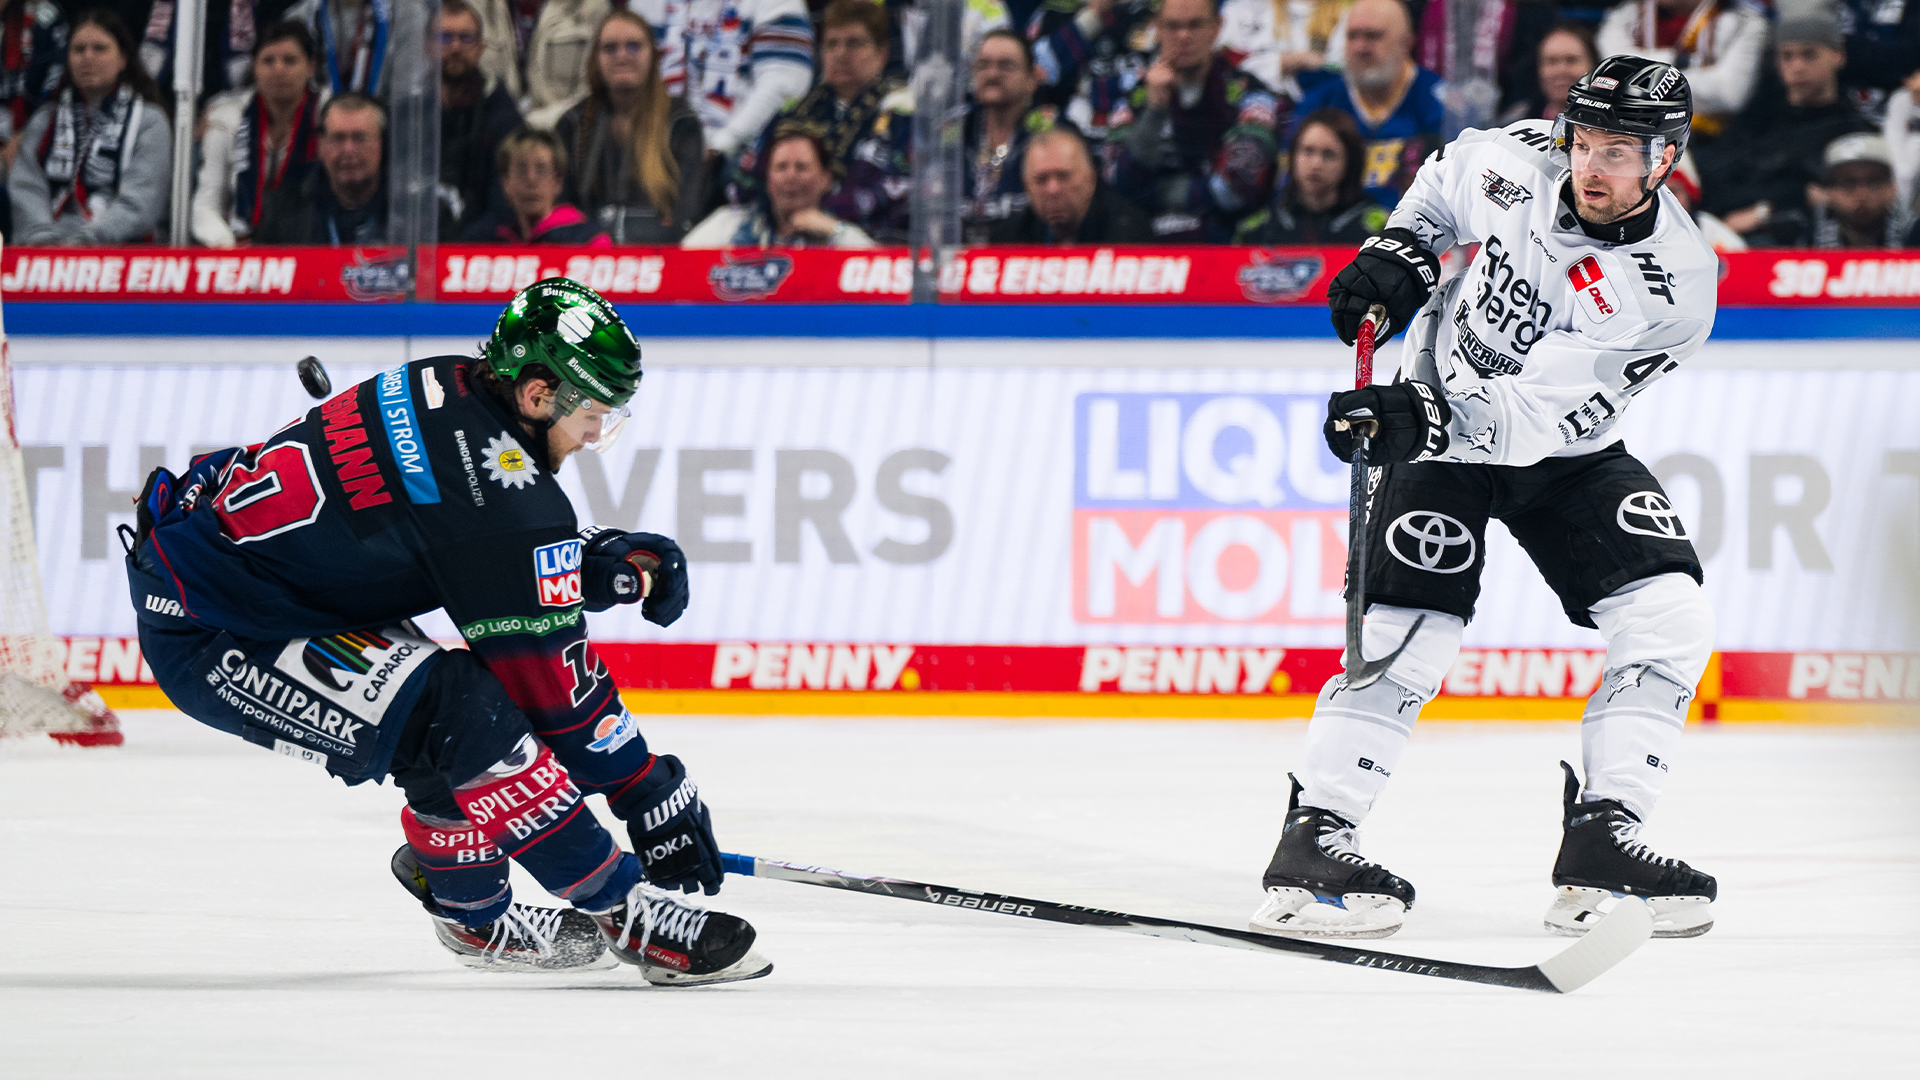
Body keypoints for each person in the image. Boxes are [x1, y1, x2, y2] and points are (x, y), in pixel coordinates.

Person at [124, 278, 771, 985]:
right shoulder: (502, 497)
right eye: (591, 411)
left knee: (436, 716)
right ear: (533, 393)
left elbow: (465, 543)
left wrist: (587, 564)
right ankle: (628, 916)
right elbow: (553, 691)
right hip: (219, 632)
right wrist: (647, 790)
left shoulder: (442, 379)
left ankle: (472, 911)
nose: (593, 435)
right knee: (462, 709)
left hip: (247, 584)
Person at [1253, 56, 1721, 943]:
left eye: (1620, 151)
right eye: (1584, 141)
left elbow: (1533, 416)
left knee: (1670, 617)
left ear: (1665, 159)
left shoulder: (1672, 286)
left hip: (1559, 447)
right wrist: (1401, 250)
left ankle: (1603, 842)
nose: (1591, 165)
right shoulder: (1518, 160)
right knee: (1406, 631)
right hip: (1440, 405)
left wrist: (1414, 416)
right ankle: (1316, 841)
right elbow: (1438, 189)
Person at [1098, 0, 1287, 241]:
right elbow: (1119, 184)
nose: (1184, 36)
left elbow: (1236, 188)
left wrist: (1155, 192)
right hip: (1145, 246)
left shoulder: (1251, 94)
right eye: (1173, 26)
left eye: (1195, 25)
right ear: (1157, 27)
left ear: (1218, 27)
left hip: (1226, 245)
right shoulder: (1134, 96)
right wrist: (1154, 111)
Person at [729, 0, 912, 242]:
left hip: (867, 246)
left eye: (854, 43)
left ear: (882, 53)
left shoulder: (902, 113)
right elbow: (742, 186)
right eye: (831, 44)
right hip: (780, 238)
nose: (841, 54)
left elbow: (903, 191)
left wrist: (822, 213)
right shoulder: (792, 113)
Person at [1698, 14, 1876, 243]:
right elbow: (1714, 183)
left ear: (1838, 56)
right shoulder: (1755, 122)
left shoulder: (1855, 131)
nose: (1797, 67)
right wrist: (1789, 197)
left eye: (1809, 55)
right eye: (1787, 57)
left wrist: (1766, 208)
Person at [8, 8, 171, 245]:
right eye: (78, 49)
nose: (87, 57)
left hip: (119, 251)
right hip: (45, 249)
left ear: (123, 59)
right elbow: (26, 188)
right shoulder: (45, 120)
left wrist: (86, 242)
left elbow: (141, 202)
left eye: (100, 48)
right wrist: (44, 241)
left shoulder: (149, 121)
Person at [552, 10, 705, 244]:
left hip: (659, 255)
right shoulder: (571, 125)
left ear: (653, 56)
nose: (621, 56)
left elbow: (687, 212)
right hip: (585, 255)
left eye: (633, 46)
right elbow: (559, 211)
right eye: (610, 48)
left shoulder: (681, 122)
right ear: (596, 59)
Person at [1294, 0, 1442, 208]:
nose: (1360, 47)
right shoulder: (1318, 102)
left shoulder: (1440, 103)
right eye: (1352, 36)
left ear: (1406, 43)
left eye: (1373, 36)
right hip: (1335, 233)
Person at [192, 20, 325, 249]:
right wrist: (230, 248)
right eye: (268, 61)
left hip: (311, 247)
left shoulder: (329, 116)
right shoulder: (225, 118)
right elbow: (205, 205)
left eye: (290, 60)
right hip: (237, 248)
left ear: (311, 66)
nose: (278, 70)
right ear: (254, 67)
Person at [633, 0, 815, 163]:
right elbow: (632, 83)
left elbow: (783, 85)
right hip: (657, 151)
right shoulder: (647, 4)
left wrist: (722, 144)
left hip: (745, 155)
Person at [683, 123, 876, 247]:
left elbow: (879, 272)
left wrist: (833, 229)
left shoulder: (840, 233)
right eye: (781, 167)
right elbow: (680, 267)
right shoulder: (728, 223)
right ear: (767, 180)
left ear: (826, 179)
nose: (790, 176)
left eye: (802, 167)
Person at [1596, 0, 1767, 127]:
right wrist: (1679, 62)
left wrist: (1639, 77)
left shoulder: (1745, 22)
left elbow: (1728, 94)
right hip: (1625, 129)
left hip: (1708, 141)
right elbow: (1613, 72)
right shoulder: (1626, 16)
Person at [961, 28, 1061, 242]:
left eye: (1005, 66)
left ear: (1032, 78)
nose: (992, 74)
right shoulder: (955, 131)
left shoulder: (1053, 134)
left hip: (1025, 259)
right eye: (983, 65)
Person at [252, 91, 386, 244]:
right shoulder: (284, 210)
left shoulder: (408, 210)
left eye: (360, 138)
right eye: (338, 138)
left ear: (382, 143)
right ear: (321, 145)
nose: (348, 150)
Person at [1233, 107, 1385, 242]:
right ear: (1292, 157)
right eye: (1307, 151)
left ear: (1350, 163)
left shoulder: (1379, 230)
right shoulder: (1257, 229)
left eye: (1329, 154)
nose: (1315, 164)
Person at [439, 0, 523, 238]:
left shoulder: (504, 118)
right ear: (428, 46)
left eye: (465, 38)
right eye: (445, 38)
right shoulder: (410, 114)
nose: (455, 47)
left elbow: (504, 209)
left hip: (477, 247)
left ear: (481, 48)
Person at [989, 124, 1152, 243]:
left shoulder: (1128, 233)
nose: (1053, 189)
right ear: (1026, 187)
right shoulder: (1009, 239)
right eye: (1041, 180)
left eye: (1064, 176)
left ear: (1091, 178)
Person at [461, 126, 610, 243]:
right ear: (505, 182)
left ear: (558, 182)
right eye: (521, 170)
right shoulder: (485, 241)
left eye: (542, 170)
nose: (531, 180)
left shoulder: (589, 242)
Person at [1768, 132, 1914, 248]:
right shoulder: (1808, 231)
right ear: (1828, 192)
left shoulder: (1912, 231)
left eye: (1874, 182)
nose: (1861, 194)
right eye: (1848, 184)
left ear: (1893, 188)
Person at [1413, 0, 1554, 119]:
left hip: (1507, 117)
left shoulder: (1530, 11)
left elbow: (1528, 77)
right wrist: (1441, 92)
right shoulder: (1421, 9)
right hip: (1432, 116)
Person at [1217, 0, 1348, 100]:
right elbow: (1223, 65)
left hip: (1314, 111)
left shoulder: (1345, 17)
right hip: (1245, 106)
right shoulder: (1244, 8)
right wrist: (1285, 62)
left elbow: (1347, 74)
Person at [522, 0, 610, 129]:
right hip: (533, 119)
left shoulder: (594, 9)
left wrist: (543, 119)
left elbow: (588, 92)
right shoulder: (548, 7)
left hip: (566, 127)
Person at [1497, 21, 1598, 125]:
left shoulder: (1614, 128)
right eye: (1551, 61)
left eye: (1571, 60)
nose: (1561, 70)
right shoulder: (1513, 124)